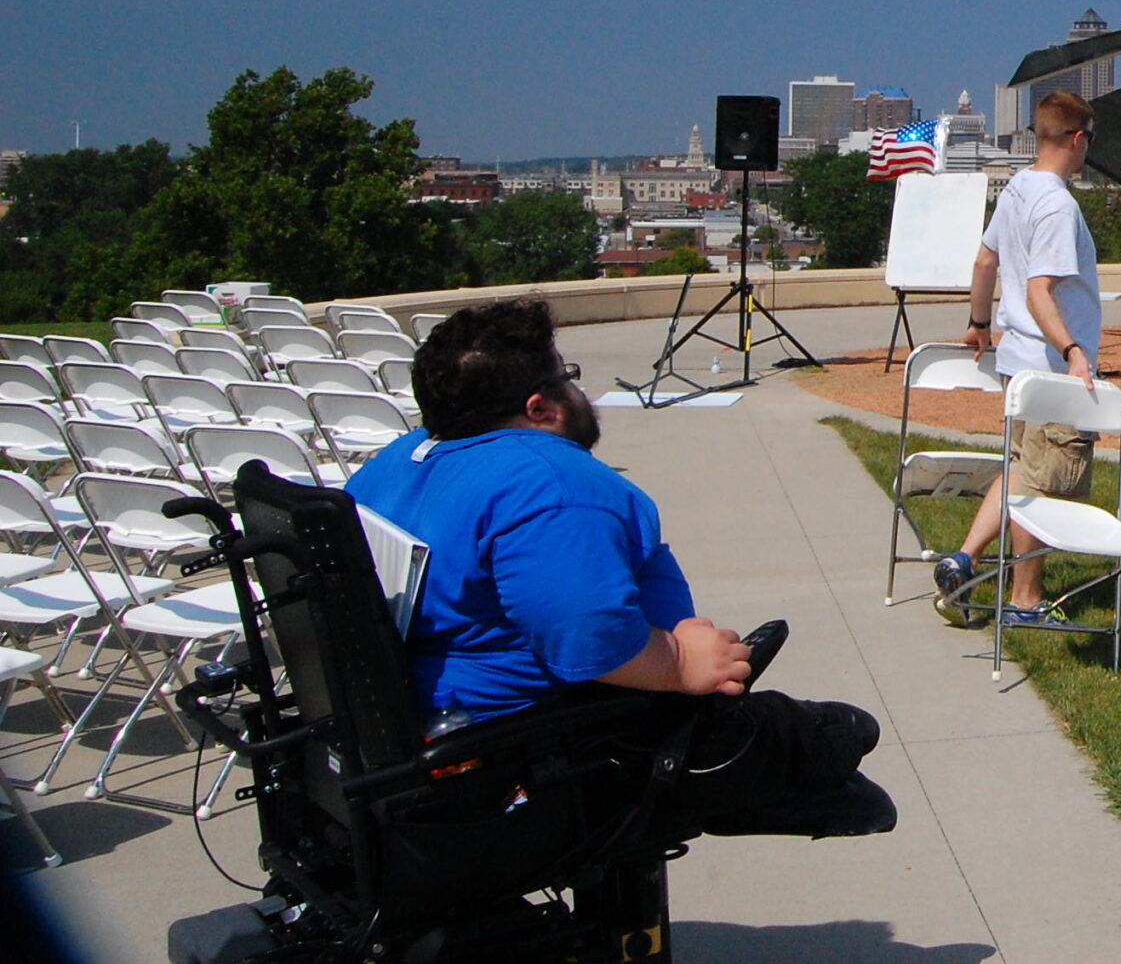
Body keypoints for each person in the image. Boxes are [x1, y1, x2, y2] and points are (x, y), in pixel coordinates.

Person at [348, 298, 894, 840]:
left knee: (803, 746)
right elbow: (586, 635)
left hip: (426, 721)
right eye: (568, 377)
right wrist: (680, 661)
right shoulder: (546, 483)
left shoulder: (396, 462)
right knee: (829, 737)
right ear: (541, 408)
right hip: (537, 741)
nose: (576, 390)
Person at [936, 89, 1105, 627]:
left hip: (1015, 359)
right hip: (1049, 367)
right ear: (1077, 139)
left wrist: (979, 323)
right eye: (1088, 141)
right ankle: (1025, 601)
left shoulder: (1015, 189)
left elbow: (986, 262)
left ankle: (964, 559)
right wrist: (1074, 352)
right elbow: (1039, 291)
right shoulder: (1056, 203)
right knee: (1045, 484)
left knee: (1021, 469)